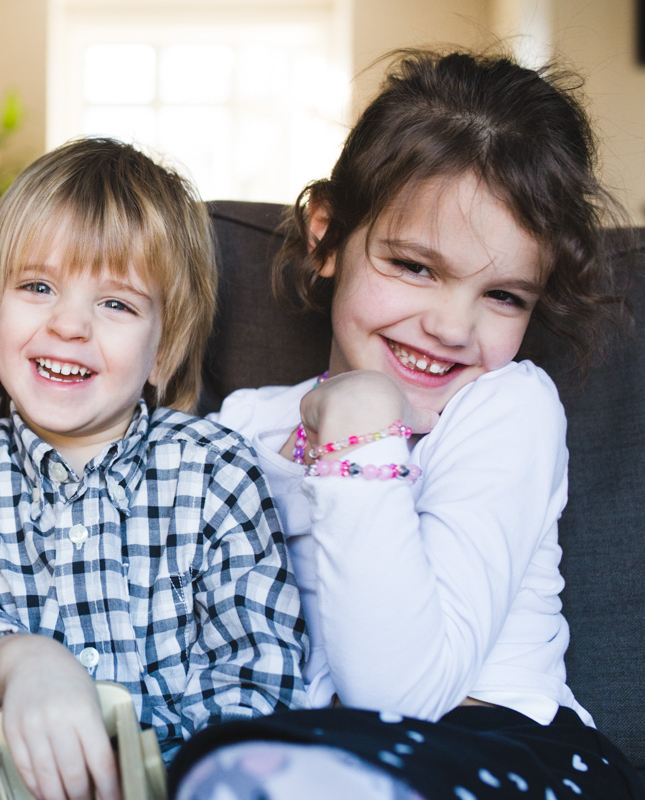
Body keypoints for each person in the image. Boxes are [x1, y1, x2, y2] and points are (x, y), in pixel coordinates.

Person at [170, 50, 645, 799]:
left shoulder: (507, 407)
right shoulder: (242, 427)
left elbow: (401, 693)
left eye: (505, 297)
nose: (452, 327)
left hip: (503, 753)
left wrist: (362, 433)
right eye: (415, 267)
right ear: (326, 238)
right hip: (300, 748)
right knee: (215, 762)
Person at [0, 137, 309, 800]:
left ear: (163, 349)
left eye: (115, 304)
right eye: (37, 286)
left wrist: (155, 766)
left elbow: (261, 668)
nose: (69, 324)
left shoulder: (217, 473)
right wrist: (19, 664)